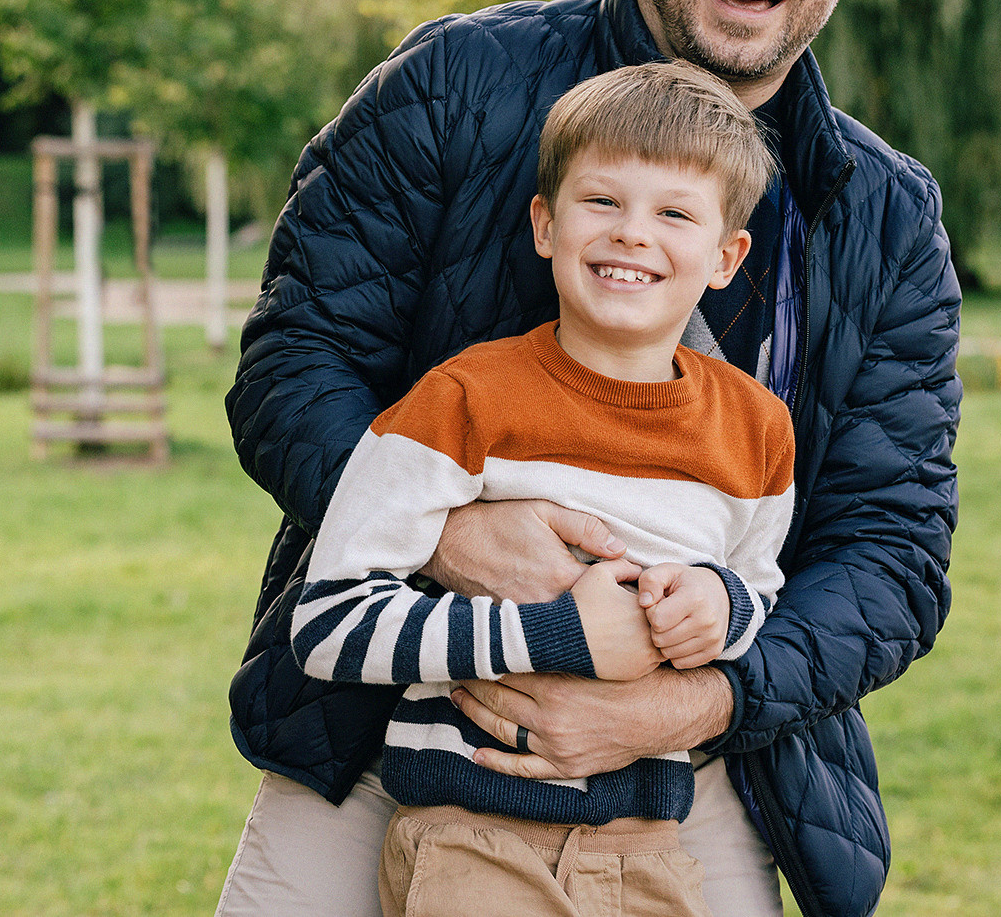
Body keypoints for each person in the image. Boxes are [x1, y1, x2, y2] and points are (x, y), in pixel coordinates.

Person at [217, 0, 961, 917]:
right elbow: (291, 368)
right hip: (392, 724)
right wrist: (451, 535)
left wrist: (680, 702)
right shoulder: (450, 86)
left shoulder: (884, 210)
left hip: (698, 764)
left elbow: (890, 549)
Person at [293, 61, 795, 917]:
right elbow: (328, 624)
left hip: (648, 848)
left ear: (725, 257)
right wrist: (550, 634)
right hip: (473, 836)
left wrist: (718, 605)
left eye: (674, 214)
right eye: (602, 201)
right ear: (545, 224)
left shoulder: (756, 429)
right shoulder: (462, 400)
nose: (632, 233)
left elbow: (758, 592)